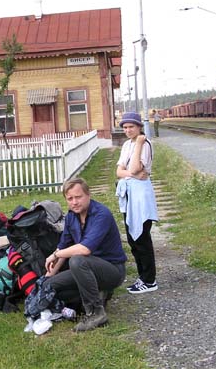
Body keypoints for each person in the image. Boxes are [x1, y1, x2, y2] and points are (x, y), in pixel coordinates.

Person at [44, 178, 127, 332]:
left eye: (78, 197)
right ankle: (96, 296)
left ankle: (96, 312)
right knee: (50, 286)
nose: (74, 202)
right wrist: (48, 277)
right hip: (86, 271)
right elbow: (63, 248)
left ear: (88, 195)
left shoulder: (102, 214)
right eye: (70, 198)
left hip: (112, 270)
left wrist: (55, 255)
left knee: (77, 260)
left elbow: (84, 250)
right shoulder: (70, 217)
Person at [116, 112, 159, 295]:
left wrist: (140, 143)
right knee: (133, 238)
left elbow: (133, 168)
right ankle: (142, 277)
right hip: (129, 193)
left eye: (131, 127)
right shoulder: (127, 144)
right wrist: (131, 174)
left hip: (140, 195)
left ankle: (150, 279)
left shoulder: (144, 144)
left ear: (139, 127)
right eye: (125, 127)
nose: (127, 130)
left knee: (142, 237)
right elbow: (119, 171)